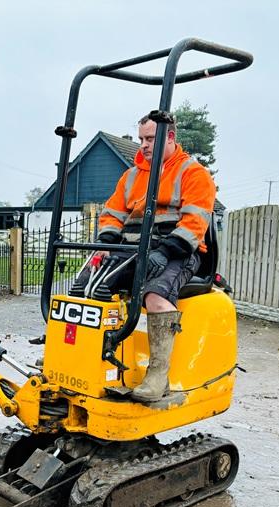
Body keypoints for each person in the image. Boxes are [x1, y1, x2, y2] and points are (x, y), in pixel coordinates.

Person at [82, 111, 216, 403]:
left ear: (170, 138)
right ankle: (79, 357)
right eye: (141, 138)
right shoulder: (131, 176)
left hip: (178, 250)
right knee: (86, 288)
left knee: (154, 295)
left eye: (150, 139)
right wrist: (107, 241)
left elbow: (194, 223)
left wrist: (165, 251)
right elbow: (112, 214)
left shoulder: (193, 174)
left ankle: (158, 376)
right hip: (132, 248)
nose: (143, 145)